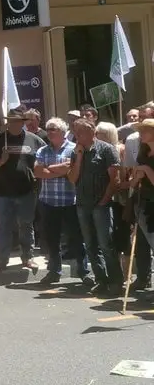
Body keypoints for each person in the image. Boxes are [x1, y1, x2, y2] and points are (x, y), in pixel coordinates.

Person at [0, 107, 43, 273]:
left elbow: (46, 157)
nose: (14, 124)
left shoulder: (34, 140)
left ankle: (28, 257)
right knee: (4, 226)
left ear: (23, 123)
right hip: (3, 192)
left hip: (27, 191)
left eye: (18, 121)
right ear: (7, 122)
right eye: (11, 121)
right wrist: (1, 161)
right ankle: (2, 260)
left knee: (26, 225)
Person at [67, 118, 123, 295]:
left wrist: (105, 199)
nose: (77, 136)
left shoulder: (106, 149)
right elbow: (72, 178)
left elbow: (115, 179)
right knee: (90, 245)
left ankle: (116, 281)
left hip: (101, 204)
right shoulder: (76, 152)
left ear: (92, 132)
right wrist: (80, 157)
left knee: (105, 243)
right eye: (75, 132)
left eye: (80, 132)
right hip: (83, 204)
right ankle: (101, 279)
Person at [34, 118, 91, 286]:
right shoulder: (43, 150)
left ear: (62, 131)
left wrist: (51, 168)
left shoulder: (74, 149)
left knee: (77, 238)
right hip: (48, 202)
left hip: (71, 201)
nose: (50, 132)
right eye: (48, 129)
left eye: (53, 129)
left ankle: (83, 272)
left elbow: (74, 171)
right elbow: (38, 172)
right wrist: (63, 169)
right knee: (52, 240)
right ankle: (54, 271)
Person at [96, 121, 131, 263]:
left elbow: (124, 175)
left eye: (99, 134)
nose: (96, 137)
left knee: (122, 235)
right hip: (102, 197)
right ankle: (115, 273)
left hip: (120, 199)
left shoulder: (121, 150)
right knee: (108, 237)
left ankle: (126, 272)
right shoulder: (96, 150)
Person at [130, 119, 154, 291]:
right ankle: (144, 279)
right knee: (142, 246)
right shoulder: (143, 153)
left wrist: (146, 171)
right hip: (142, 203)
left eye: (145, 130)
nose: (141, 133)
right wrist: (137, 177)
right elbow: (132, 183)